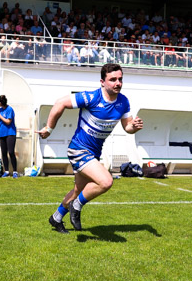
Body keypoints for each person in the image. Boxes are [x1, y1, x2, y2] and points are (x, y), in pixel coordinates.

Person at [39, 63, 143, 232]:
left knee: (78, 190)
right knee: (106, 181)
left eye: (120, 79)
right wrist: (49, 129)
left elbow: (128, 128)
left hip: (94, 153)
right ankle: (77, 206)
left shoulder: (123, 102)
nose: (118, 83)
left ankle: (56, 218)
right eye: (113, 80)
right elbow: (60, 103)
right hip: (78, 149)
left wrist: (135, 127)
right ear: (102, 82)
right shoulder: (91, 97)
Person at [0, 95, 18, 178]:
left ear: (0, 102)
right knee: (4, 153)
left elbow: (8, 122)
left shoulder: (9, 109)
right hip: (2, 133)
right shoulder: (0, 110)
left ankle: (15, 171)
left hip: (10, 133)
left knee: (11, 152)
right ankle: (6, 171)